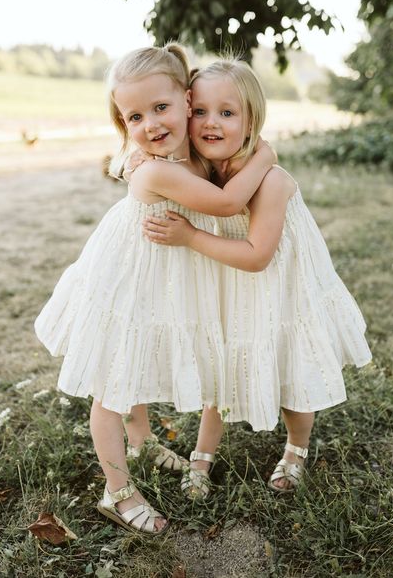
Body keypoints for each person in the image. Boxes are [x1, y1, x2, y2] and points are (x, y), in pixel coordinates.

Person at [34, 44, 275, 534]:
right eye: (134, 116)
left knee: (138, 357)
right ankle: (117, 492)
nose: (149, 123)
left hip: (159, 278)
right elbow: (229, 203)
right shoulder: (159, 168)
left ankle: (141, 439)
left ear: (188, 100)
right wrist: (265, 154)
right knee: (114, 383)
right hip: (127, 279)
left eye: (160, 108)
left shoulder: (190, 158)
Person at [142, 58, 372, 497]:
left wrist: (188, 235)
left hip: (280, 284)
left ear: (251, 122)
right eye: (201, 112)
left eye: (227, 113)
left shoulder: (270, 180)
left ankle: (296, 449)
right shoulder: (204, 172)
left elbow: (256, 255)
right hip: (229, 279)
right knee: (219, 360)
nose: (212, 123)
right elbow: (153, 162)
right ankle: (203, 455)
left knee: (289, 366)